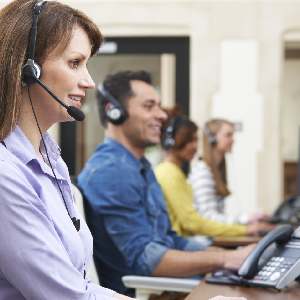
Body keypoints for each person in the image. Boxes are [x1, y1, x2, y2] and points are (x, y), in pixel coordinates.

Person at [78, 70, 256, 296]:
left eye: (159, 106)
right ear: (114, 112)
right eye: (149, 106)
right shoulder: (112, 171)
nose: (162, 115)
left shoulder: (139, 165)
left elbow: (169, 239)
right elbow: (146, 260)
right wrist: (224, 258)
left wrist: (218, 252)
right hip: (139, 291)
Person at [0, 1, 132, 299]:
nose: (89, 81)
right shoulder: (5, 174)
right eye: (75, 63)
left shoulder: (50, 160)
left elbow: (78, 286)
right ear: (28, 69)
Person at [155, 114, 273, 238]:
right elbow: (195, 221)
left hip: (189, 240)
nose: (195, 146)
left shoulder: (177, 172)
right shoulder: (177, 173)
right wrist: (244, 227)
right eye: (228, 135)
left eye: (196, 140)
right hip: (188, 241)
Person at [188, 118, 270, 225]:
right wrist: (244, 219)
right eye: (228, 135)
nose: (233, 140)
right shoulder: (203, 172)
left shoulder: (217, 170)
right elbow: (207, 218)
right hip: (203, 239)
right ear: (213, 139)